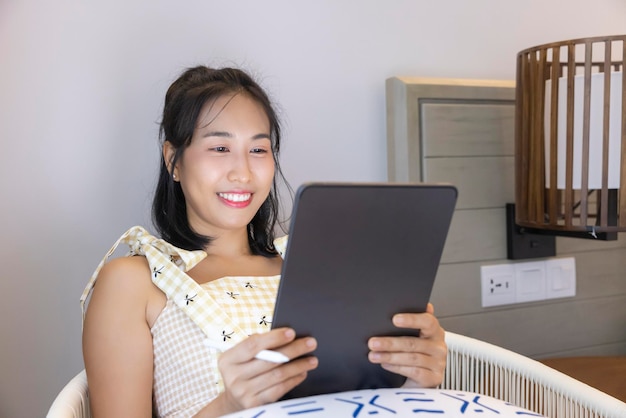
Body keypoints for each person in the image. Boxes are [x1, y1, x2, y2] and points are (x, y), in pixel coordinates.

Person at [81, 66, 447, 418]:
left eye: (258, 150)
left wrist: (414, 381)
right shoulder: (132, 281)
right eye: (220, 148)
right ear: (173, 160)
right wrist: (228, 407)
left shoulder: (317, 266)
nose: (243, 172)